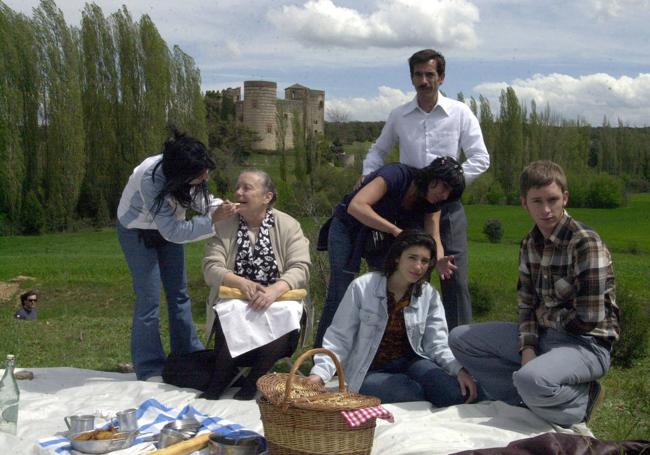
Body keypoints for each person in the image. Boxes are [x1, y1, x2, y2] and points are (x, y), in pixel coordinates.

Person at [449, 161, 619, 426]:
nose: (546, 209)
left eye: (553, 199)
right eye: (537, 201)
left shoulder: (585, 243)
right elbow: (526, 303)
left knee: (531, 379)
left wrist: (543, 320)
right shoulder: (530, 242)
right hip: (543, 335)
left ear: (565, 197)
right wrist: (528, 347)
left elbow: (588, 318)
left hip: (587, 344)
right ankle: (529, 398)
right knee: (460, 339)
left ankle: (581, 400)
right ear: (524, 203)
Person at [361, 48, 490, 330]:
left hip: (448, 210)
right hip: (409, 211)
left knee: (454, 279)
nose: (424, 80)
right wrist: (368, 180)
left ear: (441, 77)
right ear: (412, 78)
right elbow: (377, 151)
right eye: (418, 74)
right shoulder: (400, 115)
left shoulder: (459, 113)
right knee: (410, 277)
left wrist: (449, 186)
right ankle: (407, 343)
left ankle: (460, 347)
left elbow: (481, 158)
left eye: (430, 74)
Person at [117, 128, 238, 380]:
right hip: (136, 229)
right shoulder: (150, 178)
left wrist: (220, 207)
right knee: (148, 299)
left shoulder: (189, 173)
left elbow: (201, 203)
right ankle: (149, 366)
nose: (205, 177)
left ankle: (188, 354)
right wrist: (213, 220)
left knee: (179, 293)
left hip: (167, 228)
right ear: (181, 173)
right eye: (200, 173)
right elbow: (173, 232)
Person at [308, 230, 479, 407]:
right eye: (412, 258)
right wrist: (319, 374)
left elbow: (437, 343)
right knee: (411, 394)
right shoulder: (363, 287)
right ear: (398, 257)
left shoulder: (429, 295)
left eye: (424, 261)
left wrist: (458, 369)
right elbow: (339, 337)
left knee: (455, 393)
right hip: (369, 368)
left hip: (412, 362)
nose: (418, 266)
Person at [314, 156, 465, 347]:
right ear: (432, 177)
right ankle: (320, 356)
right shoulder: (396, 175)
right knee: (340, 292)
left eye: (449, 193)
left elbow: (433, 235)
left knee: (386, 290)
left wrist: (439, 258)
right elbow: (357, 206)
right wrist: (394, 230)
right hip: (349, 227)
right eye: (444, 187)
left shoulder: (433, 203)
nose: (444, 195)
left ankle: (375, 353)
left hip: (379, 237)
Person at [202, 170, 311, 400]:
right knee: (232, 310)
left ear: (267, 197)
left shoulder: (288, 226)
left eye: (247, 188)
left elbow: (300, 267)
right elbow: (211, 267)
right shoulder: (224, 226)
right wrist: (241, 283)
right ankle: (220, 378)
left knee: (286, 312)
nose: (238, 192)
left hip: (278, 298)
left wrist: (275, 290)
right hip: (236, 297)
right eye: (237, 187)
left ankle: (255, 380)